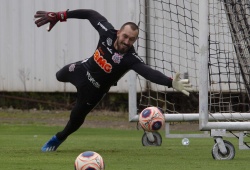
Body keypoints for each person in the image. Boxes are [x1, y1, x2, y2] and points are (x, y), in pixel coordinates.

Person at [34, 9, 192, 152]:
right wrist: (61, 15)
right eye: (125, 36)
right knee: (58, 75)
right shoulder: (107, 32)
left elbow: (149, 73)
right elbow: (90, 14)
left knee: (75, 119)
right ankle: (83, 65)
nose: (126, 42)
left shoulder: (131, 59)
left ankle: (58, 139)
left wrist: (170, 82)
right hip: (82, 70)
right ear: (118, 32)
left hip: (93, 91)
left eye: (131, 39)